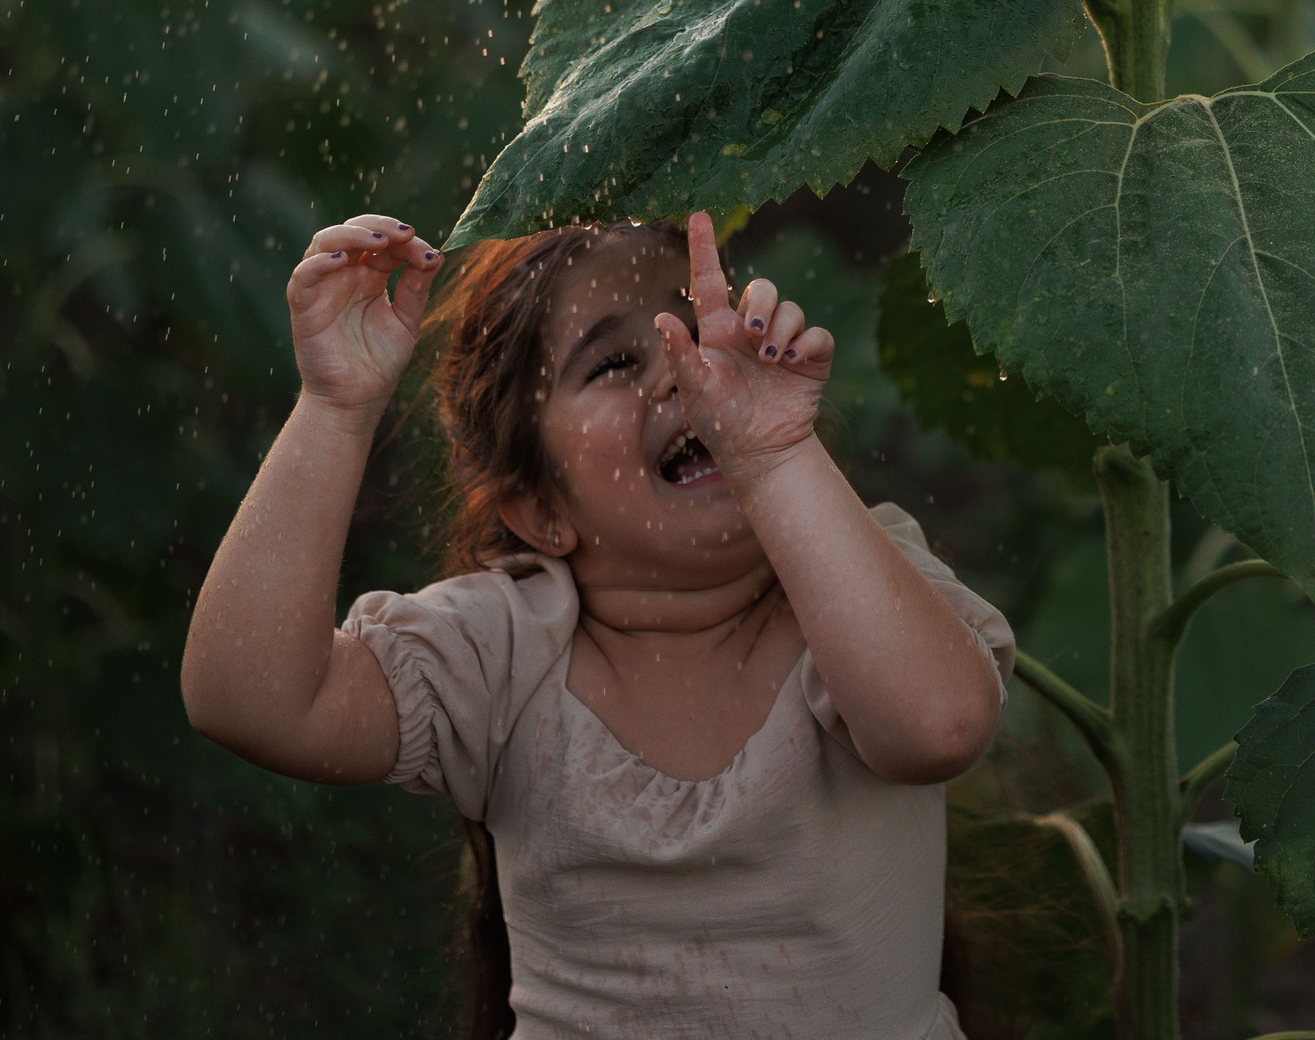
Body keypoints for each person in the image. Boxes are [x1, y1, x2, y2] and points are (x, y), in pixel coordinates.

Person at [180, 210, 1011, 1039]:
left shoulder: (861, 591)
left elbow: (941, 726)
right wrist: (336, 405)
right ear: (541, 510)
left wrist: (777, 454)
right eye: (615, 361)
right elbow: (249, 699)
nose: (683, 369)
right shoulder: (503, 651)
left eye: (696, 328)